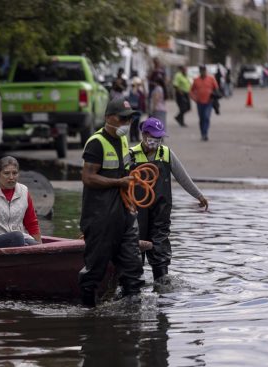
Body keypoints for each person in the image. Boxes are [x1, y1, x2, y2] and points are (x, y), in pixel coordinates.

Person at [79, 98, 145, 307]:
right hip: (100, 216)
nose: (128, 122)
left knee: (133, 267)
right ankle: (88, 315)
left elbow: (126, 173)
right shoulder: (96, 142)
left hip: (124, 214)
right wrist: (118, 182)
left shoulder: (124, 140)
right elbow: (88, 177)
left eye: (131, 118)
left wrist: (130, 196)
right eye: (123, 118)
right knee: (95, 271)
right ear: (109, 118)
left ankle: (131, 318)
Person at [130, 117, 208, 284]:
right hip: (137, 213)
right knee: (134, 252)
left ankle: (162, 283)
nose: (156, 141)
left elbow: (182, 177)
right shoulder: (131, 155)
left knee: (160, 251)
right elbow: (116, 182)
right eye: (153, 136)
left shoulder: (166, 154)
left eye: (159, 137)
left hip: (161, 213)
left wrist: (199, 196)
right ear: (143, 134)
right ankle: (133, 287)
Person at [190, 65, 219, 141]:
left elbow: (216, 88)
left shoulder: (211, 79)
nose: (203, 72)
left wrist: (214, 96)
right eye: (201, 70)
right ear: (200, 71)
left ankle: (205, 134)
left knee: (206, 117)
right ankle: (202, 133)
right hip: (199, 102)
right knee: (201, 119)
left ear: (206, 71)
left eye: (204, 70)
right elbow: (191, 91)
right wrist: (194, 98)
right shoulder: (196, 80)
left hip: (209, 102)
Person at [127, 77, 146, 142]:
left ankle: (136, 137)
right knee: (133, 124)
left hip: (138, 109)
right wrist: (136, 85)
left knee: (137, 124)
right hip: (134, 109)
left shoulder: (139, 91)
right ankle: (132, 137)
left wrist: (143, 85)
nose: (138, 86)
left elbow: (144, 96)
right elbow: (134, 93)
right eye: (137, 84)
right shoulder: (132, 91)